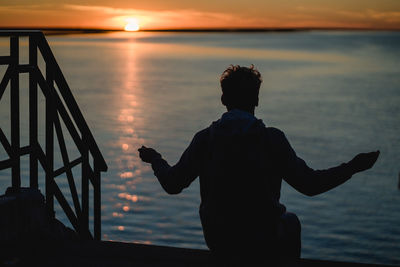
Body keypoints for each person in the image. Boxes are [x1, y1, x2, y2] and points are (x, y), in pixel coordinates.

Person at [138, 65, 379, 261]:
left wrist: (156, 159)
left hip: (219, 239)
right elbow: (310, 185)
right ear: (256, 99)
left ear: (223, 99)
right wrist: (352, 167)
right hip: (262, 240)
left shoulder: (205, 140)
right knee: (291, 222)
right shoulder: (271, 140)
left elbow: (172, 184)